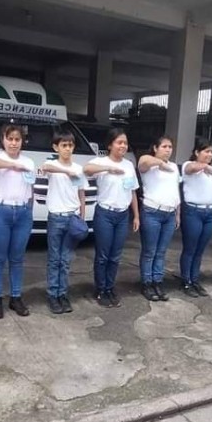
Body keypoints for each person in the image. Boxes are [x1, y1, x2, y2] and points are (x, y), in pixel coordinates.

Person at [0, 124, 35, 318]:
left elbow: (30, 186)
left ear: (22, 142)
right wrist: (12, 165)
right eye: (10, 139)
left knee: (17, 258)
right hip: (0, 211)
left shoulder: (29, 161)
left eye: (17, 139)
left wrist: (29, 209)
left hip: (22, 211)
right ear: (3, 140)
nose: (14, 143)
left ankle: (16, 297)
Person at [84, 128, 139, 307]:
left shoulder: (129, 165)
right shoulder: (100, 162)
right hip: (105, 214)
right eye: (119, 142)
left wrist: (136, 215)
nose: (123, 146)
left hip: (123, 215)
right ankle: (100, 289)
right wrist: (109, 168)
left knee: (115, 256)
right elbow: (86, 169)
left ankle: (110, 287)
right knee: (103, 255)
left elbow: (132, 192)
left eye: (125, 142)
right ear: (110, 145)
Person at [41, 128, 86, 314]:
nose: (67, 149)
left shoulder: (79, 169)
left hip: (72, 217)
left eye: (70, 145)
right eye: (63, 145)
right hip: (56, 218)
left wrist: (82, 215)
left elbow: (81, 193)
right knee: (54, 259)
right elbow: (46, 167)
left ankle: (63, 294)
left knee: (65, 260)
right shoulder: (52, 165)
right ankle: (53, 294)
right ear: (56, 147)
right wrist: (66, 171)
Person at [137, 136, 180, 302]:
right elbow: (143, 162)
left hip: (169, 213)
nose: (168, 149)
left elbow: (176, 191)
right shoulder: (149, 164)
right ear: (155, 148)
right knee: (149, 251)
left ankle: (157, 281)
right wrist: (160, 163)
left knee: (161, 252)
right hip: (152, 212)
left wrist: (177, 213)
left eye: (170, 147)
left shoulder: (174, 167)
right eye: (164, 146)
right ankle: (147, 283)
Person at [179, 138, 212, 297]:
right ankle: (186, 281)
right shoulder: (188, 166)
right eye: (206, 151)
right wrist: (204, 166)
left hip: (209, 212)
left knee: (200, 250)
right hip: (193, 212)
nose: (209, 154)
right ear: (197, 152)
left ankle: (194, 279)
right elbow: (190, 168)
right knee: (190, 248)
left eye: (211, 152)